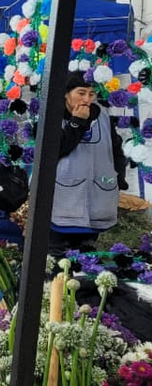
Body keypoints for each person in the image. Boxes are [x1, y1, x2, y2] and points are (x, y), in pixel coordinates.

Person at [49, 72, 128, 256]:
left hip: (98, 201)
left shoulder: (102, 114)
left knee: (86, 260)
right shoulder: (52, 115)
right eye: (81, 93)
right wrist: (77, 122)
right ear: (66, 94)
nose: (87, 99)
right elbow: (56, 149)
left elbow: (115, 148)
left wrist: (119, 177)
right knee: (57, 262)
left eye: (91, 94)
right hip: (63, 201)